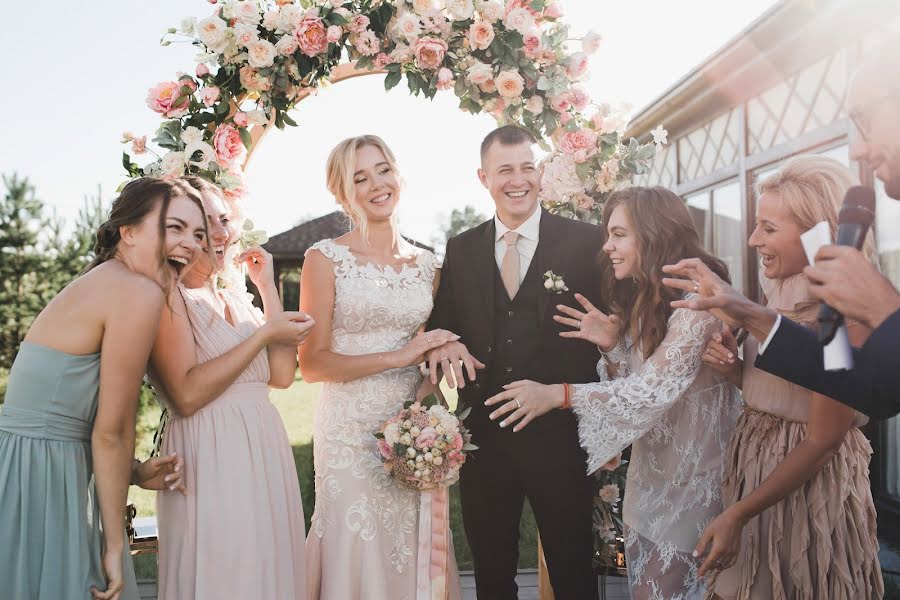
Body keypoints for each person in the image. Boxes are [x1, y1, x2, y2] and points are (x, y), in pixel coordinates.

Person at [485, 186, 741, 599]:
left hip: (695, 483)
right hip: (650, 482)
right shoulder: (645, 297)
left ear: (654, 233)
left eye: (619, 234)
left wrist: (559, 394)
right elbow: (632, 381)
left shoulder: (700, 306)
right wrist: (612, 345)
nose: (607, 247)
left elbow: (647, 393)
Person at [662, 44, 900, 419]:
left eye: (866, 120)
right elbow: (869, 388)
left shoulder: (847, 308)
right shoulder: (779, 293)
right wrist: (740, 309)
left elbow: (832, 425)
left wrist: (884, 310)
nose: (856, 149)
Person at [0, 178, 206, 600]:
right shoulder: (137, 291)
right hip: (44, 479)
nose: (190, 244)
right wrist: (115, 546)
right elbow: (110, 431)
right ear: (127, 233)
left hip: (26, 465)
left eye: (198, 233)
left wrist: (131, 470)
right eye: (175, 227)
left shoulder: (109, 280)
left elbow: (63, 415)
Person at [426, 125, 605, 600]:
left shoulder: (586, 242)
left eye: (528, 167)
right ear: (483, 177)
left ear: (541, 172)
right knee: (491, 572)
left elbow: (616, 327)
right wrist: (444, 343)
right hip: (483, 440)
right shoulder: (461, 250)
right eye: (505, 170)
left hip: (561, 436)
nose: (518, 179)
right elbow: (441, 324)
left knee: (573, 569)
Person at [692, 156, 883, 599]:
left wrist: (739, 513)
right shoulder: (780, 288)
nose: (753, 238)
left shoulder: (846, 313)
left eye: (769, 228)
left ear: (817, 232)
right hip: (753, 467)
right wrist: (738, 372)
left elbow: (822, 441)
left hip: (803, 484)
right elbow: (786, 392)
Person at [299, 135, 462, 600]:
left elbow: (429, 355)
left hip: (411, 433)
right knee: (357, 539)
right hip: (348, 432)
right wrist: (398, 357)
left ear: (398, 174)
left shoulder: (428, 264)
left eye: (383, 169)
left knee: (412, 544)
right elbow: (311, 364)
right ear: (341, 194)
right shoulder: (324, 258)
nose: (377, 184)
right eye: (360, 177)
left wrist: (429, 411)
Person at [148, 176, 313, 600]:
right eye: (203, 225)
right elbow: (185, 395)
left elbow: (279, 376)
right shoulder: (171, 298)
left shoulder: (236, 297)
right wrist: (261, 336)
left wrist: (266, 289)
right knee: (228, 567)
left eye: (224, 219)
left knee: (268, 563)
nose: (220, 234)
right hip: (211, 451)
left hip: (262, 444)